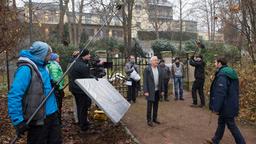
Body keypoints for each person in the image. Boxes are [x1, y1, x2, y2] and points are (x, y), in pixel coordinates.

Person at [8, 41, 62, 143]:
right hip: (37, 118)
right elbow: (14, 95)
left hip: (52, 114)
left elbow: (41, 84)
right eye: (48, 55)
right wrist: (17, 120)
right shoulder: (25, 69)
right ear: (41, 55)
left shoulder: (44, 66)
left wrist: (51, 83)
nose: (50, 57)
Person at [208, 56, 245, 144]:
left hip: (226, 105)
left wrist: (215, 108)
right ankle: (215, 140)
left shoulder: (222, 74)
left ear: (219, 63)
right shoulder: (229, 72)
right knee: (221, 122)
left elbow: (220, 92)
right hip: (229, 103)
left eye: (215, 62)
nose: (214, 64)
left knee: (231, 125)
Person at [68, 49, 92, 131]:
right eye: (88, 54)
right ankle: (83, 125)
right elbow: (87, 78)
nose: (90, 56)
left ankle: (82, 122)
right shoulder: (82, 65)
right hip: (80, 89)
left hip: (74, 88)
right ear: (84, 55)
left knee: (79, 106)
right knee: (83, 107)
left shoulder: (74, 62)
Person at [143, 56, 164, 127]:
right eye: (155, 60)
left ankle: (155, 118)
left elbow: (161, 80)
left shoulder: (159, 68)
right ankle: (149, 120)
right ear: (151, 62)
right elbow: (145, 81)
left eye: (157, 60)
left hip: (157, 90)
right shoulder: (147, 69)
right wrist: (145, 91)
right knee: (149, 106)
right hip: (150, 91)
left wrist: (162, 90)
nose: (156, 61)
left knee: (156, 105)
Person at [47, 53, 65, 124]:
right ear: (54, 58)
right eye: (58, 57)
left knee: (57, 103)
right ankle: (58, 120)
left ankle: (58, 119)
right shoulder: (53, 66)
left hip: (57, 87)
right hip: (57, 87)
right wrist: (59, 86)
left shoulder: (53, 64)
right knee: (58, 104)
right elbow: (55, 78)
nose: (59, 59)